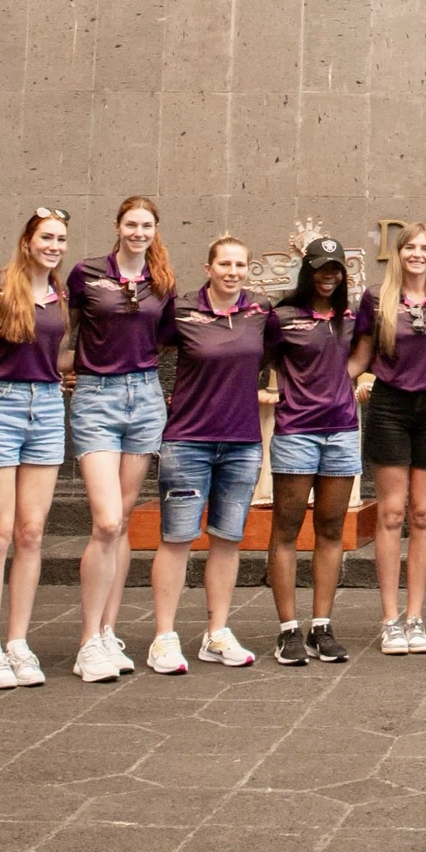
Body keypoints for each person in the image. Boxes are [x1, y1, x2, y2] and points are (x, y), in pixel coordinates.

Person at [145, 237, 271, 675]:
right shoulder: (180, 311)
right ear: (208, 267)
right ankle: (164, 638)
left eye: (240, 265)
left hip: (242, 442)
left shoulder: (261, 312)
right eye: (224, 264)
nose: (232, 272)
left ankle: (217, 633)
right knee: (177, 538)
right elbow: (146, 349)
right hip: (188, 441)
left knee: (227, 538)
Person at [64, 196, 175, 683]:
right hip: (96, 397)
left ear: (155, 229)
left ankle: (108, 632)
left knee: (124, 520)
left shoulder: (162, 280)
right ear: (117, 225)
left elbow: (166, 339)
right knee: (106, 521)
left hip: (145, 397)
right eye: (131, 224)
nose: (138, 232)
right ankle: (87, 641)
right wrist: (59, 370)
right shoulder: (86, 274)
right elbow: (61, 332)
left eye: (146, 225)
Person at [350, 222, 426, 656]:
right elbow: (360, 357)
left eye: (425, 248)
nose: (417, 254)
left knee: (423, 513)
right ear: (397, 253)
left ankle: (415, 617)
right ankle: (389, 620)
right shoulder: (376, 298)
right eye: (410, 247)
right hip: (391, 406)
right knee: (392, 512)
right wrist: (325, 382)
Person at [0, 209, 71, 690]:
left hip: (48, 407)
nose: (54, 246)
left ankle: (17, 642)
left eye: (61, 239)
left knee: (31, 531)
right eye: (46, 237)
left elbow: (57, 355)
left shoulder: (60, 294)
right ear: (27, 240)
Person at [264, 238, 360, 666]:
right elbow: (259, 359)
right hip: (296, 432)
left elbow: (364, 353)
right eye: (320, 268)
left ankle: (322, 626)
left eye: (335, 269)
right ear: (307, 271)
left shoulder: (350, 317)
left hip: (342, 432)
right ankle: (288, 629)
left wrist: (344, 379)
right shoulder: (282, 316)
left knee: (331, 529)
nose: (328, 276)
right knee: (286, 529)